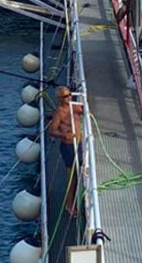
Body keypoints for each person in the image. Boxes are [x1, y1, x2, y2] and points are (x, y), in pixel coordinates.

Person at [47, 85, 84, 215]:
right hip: (68, 146)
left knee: (80, 173)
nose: (69, 97)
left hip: (79, 144)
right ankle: (69, 204)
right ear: (59, 98)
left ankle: (78, 198)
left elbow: (85, 111)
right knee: (72, 176)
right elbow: (51, 130)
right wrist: (64, 135)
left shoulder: (75, 106)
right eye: (65, 96)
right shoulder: (59, 113)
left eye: (70, 95)